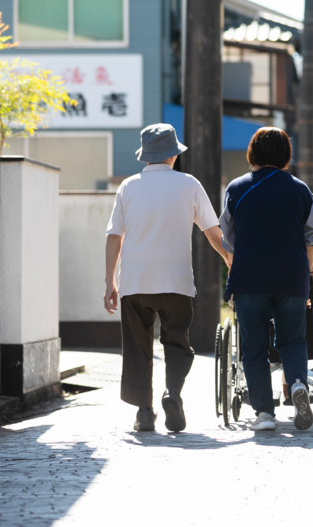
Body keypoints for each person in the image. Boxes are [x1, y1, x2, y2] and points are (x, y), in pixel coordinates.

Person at [104, 123, 231, 433]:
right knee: (177, 343)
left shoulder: (128, 187)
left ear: (145, 156)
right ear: (173, 155)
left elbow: (114, 237)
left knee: (137, 346)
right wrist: (231, 260)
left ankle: (144, 413)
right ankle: (172, 393)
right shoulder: (189, 184)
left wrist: (110, 281)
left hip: (135, 281)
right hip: (176, 281)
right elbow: (213, 233)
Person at [220, 127, 313, 431]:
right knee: (292, 338)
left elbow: (227, 235)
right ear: (286, 156)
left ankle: (264, 413)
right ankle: (297, 385)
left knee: (254, 346)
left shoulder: (236, 188)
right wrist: (309, 265)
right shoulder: (299, 190)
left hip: (249, 276)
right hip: (291, 275)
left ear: (252, 153)